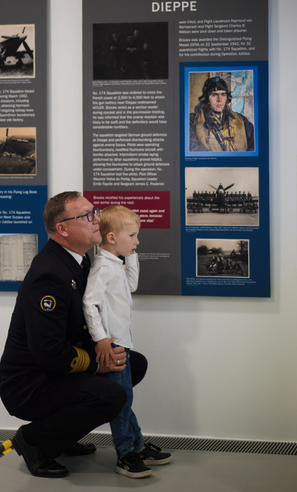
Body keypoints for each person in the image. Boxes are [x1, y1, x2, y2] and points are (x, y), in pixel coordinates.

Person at [0, 191, 149, 478]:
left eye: (95, 211)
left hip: (55, 371)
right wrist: (97, 364)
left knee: (132, 364)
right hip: (31, 383)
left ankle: (64, 435)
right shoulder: (50, 275)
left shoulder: (78, 261)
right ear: (63, 229)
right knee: (111, 394)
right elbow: (49, 352)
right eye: (87, 216)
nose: (97, 219)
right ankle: (35, 441)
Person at [82, 205, 172, 478]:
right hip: (113, 345)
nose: (138, 241)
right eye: (132, 236)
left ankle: (137, 446)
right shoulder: (102, 267)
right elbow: (89, 303)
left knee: (125, 398)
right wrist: (101, 339)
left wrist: (130, 255)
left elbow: (131, 285)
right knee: (121, 401)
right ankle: (125, 454)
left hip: (122, 342)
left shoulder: (114, 264)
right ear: (111, 237)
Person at [189, 76, 255, 152]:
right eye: (214, 95)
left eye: (223, 94)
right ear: (206, 98)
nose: (219, 99)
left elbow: (256, 144)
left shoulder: (242, 120)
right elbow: (192, 147)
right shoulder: (192, 120)